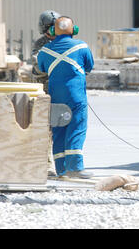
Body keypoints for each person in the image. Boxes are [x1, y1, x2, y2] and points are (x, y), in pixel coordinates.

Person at [37, 16, 94, 179]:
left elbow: (42, 69)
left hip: (55, 96)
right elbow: (89, 66)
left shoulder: (44, 51)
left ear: (54, 31)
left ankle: (61, 170)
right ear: (74, 30)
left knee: (59, 130)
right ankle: (75, 167)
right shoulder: (82, 46)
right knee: (76, 128)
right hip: (76, 96)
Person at [32, 10, 61, 177]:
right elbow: (38, 66)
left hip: (61, 90)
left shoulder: (64, 42)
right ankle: (48, 164)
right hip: (45, 90)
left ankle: (64, 163)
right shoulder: (41, 43)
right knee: (46, 128)